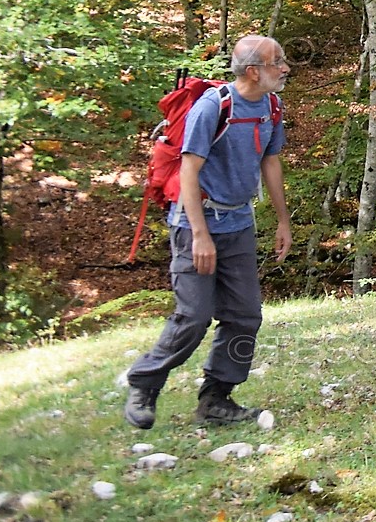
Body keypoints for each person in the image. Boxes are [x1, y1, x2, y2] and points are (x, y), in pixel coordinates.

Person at [124, 34, 292, 429]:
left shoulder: (272, 106)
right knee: (194, 316)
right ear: (253, 71)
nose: (285, 69)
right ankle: (144, 383)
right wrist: (199, 235)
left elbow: (271, 162)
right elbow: (188, 171)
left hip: (239, 224)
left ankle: (216, 398)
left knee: (245, 315)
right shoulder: (212, 109)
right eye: (277, 62)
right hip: (194, 225)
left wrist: (283, 221)